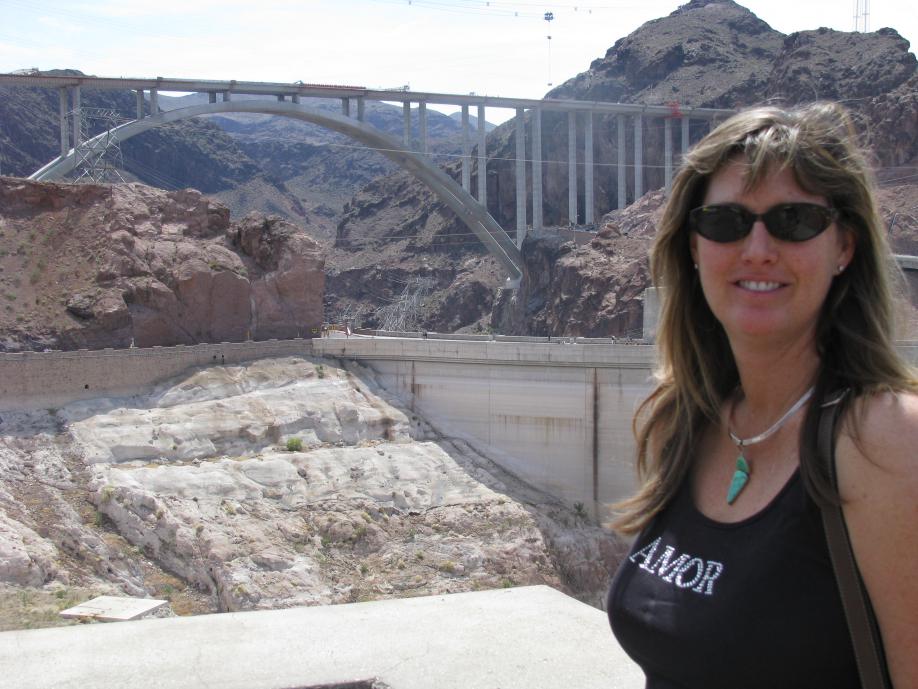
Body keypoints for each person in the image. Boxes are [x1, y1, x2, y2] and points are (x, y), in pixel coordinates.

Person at [606, 102, 918, 689]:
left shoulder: (886, 440)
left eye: (793, 220)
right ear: (693, 246)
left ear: (844, 247)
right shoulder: (689, 421)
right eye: (725, 221)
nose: (756, 249)